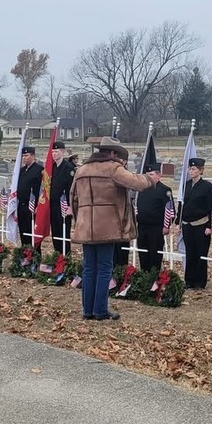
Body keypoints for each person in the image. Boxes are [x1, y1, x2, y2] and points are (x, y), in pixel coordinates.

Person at [70, 136, 156, 321]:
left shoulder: (82, 169)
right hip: (107, 227)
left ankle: (88, 310)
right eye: (117, 155)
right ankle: (100, 310)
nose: (118, 159)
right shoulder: (112, 168)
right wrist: (151, 179)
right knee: (104, 268)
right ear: (112, 153)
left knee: (89, 268)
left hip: (86, 226)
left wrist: (80, 221)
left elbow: (73, 198)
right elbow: (137, 183)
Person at [176, 157, 212, 290]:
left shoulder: (207, 187)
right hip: (187, 224)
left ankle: (200, 281)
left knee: (200, 253)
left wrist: (210, 226)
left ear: (201, 170)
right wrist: (178, 222)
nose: (191, 171)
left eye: (194, 169)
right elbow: (181, 205)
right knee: (190, 252)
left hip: (201, 224)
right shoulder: (185, 185)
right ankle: (189, 280)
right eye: (190, 168)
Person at [135, 162, 173, 274]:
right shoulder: (142, 189)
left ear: (159, 175)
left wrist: (167, 226)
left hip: (156, 228)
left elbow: (170, 210)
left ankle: (154, 276)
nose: (148, 177)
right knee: (143, 253)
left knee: (155, 254)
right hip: (142, 226)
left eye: (151, 174)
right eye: (147, 174)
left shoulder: (164, 190)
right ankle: (144, 275)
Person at [49, 140, 76, 253]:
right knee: (55, 232)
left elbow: (72, 189)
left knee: (64, 232)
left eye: (57, 151)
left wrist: (70, 206)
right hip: (53, 205)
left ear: (62, 152)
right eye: (53, 152)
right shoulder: (52, 167)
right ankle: (57, 256)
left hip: (64, 206)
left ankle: (65, 258)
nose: (54, 154)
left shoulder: (69, 168)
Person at [15, 146, 42, 247]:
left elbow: (42, 189)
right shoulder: (21, 171)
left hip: (32, 208)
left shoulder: (39, 170)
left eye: (26, 155)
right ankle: (24, 256)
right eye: (23, 156)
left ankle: (34, 258)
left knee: (32, 236)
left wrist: (38, 205)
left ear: (33, 156)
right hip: (21, 206)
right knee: (23, 234)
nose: (24, 158)